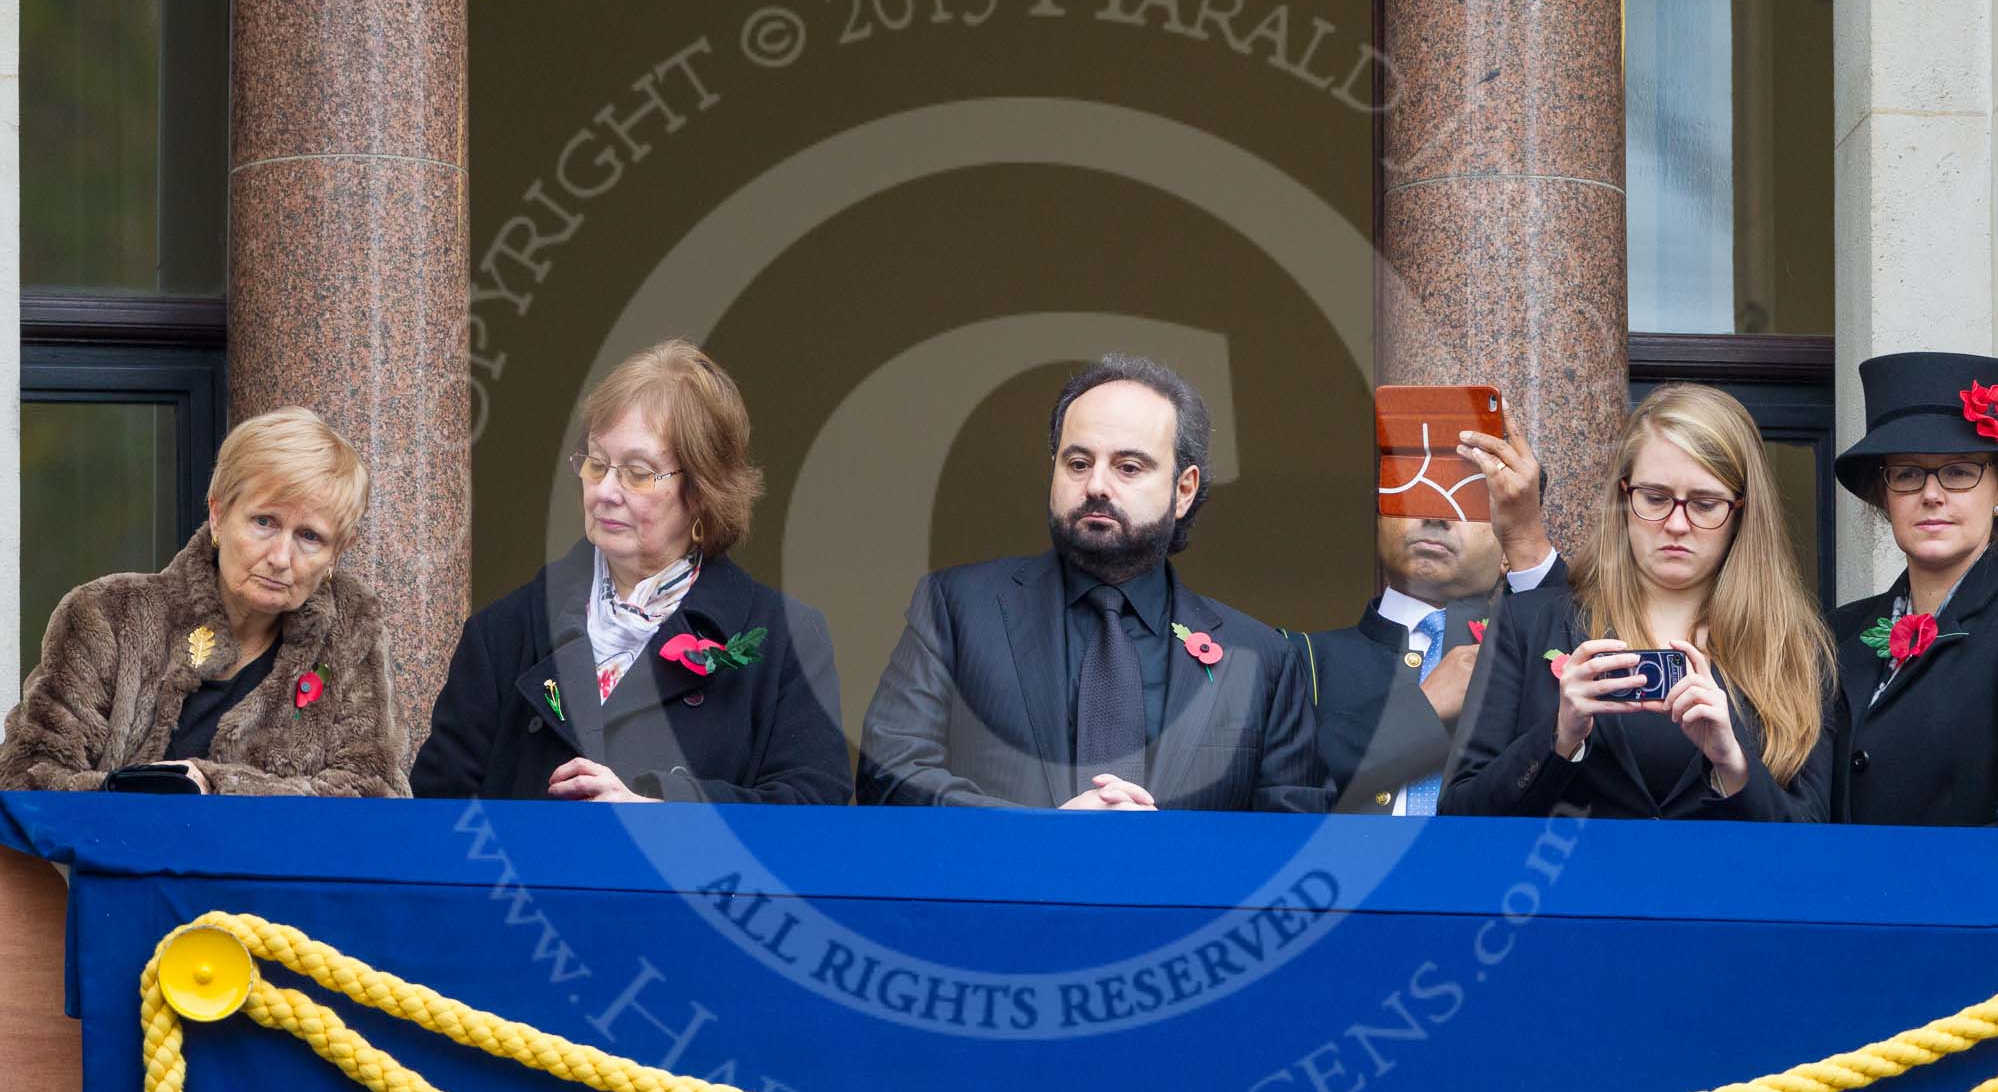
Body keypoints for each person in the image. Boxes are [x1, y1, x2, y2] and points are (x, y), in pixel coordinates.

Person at [857, 353, 1328, 811]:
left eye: (1128, 467)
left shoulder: (1262, 658)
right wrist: (1044, 837)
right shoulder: (957, 608)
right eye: (1078, 463)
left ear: (1183, 490)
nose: (1097, 485)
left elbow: (1293, 841)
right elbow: (890, 774)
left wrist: (1171, 854)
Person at [410, 341, 851, 804]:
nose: (604, 491)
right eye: (596, 465)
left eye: (638, 473)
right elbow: (438, 820)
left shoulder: (785, 638)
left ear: (702, 491)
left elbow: (813, 812)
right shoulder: (503, 632)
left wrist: (663, 811)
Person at [1442, 384, 1832, 821]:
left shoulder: (1793, 647)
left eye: (1704, 504)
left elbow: (1813, 844)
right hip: (1567, 889)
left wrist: (1734, 765)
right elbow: (1460, 814)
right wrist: (1559, 736)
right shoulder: (1529, 622)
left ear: (1742, 512)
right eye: (1655, 498)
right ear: (1624, 498)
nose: (1677, 524)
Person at [0, 407, 407, 796]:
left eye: (310, 537)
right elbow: (30, 775)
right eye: (264, 522)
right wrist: (147, 791)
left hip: (270, 869)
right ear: (218, 515)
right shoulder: (108, 616)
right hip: (113, 865)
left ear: (338, 552)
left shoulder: (349, 630)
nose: (281, 558)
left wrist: (214, 786)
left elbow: (374, 791)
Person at [1282, 410, 1562, 813]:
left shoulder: (1529, 660)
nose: (1437, 514)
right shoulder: (1295, 657)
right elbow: (1273, 788)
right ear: (1380, 517)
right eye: (1416, 490)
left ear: (1507, 549)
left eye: (1469, 497)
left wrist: (1528, 541)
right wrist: (1422, 710)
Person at [1828, 352, 1998, 826]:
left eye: (1959, 471)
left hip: (1970, 898)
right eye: (1907, 473)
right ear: (1886, 496)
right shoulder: (1838, 632)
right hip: (1840, 897)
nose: (1932, 494)